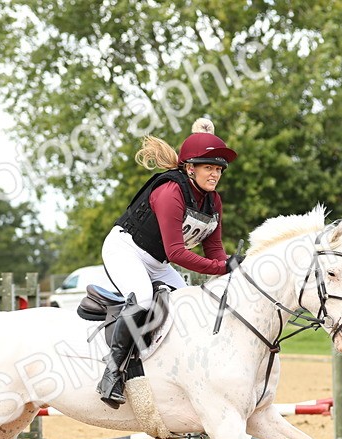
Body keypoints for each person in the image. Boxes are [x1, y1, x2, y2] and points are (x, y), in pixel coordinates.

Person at [96, 117, 238, 408]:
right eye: (209, 168)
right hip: (126, 249)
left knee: (191, 307)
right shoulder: (170, 192)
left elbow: (214, 248)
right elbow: (177, 254)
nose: (215, 174)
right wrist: (223, 267)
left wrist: (233, 269)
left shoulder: (213, 201)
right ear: (190, 168)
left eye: (218, 169)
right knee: (143, 299)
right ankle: (112, 373)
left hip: (157, 261)